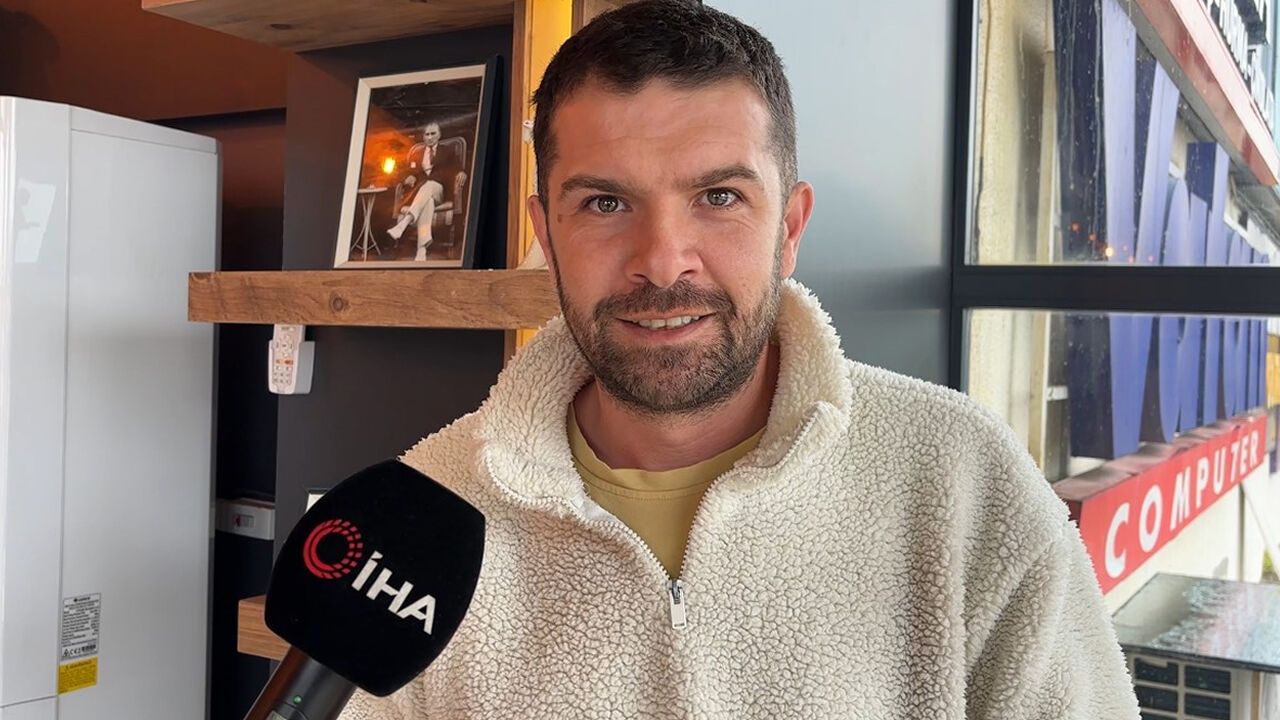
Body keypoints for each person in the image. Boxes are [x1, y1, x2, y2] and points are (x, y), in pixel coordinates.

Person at [339, 1, 1141, 717]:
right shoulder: (424, 517)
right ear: (546, 234)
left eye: (719, 197)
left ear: (789, 228)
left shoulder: (962, 478)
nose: (663, 260)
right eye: (605, 203)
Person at [388, 120, 460, 261]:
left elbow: (457, 167)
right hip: (422, 195)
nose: (430, 137)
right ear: (423, 136)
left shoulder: (447, 151)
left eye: (433, 133)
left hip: (440, 191)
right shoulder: (417, 154)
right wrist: (407, 177)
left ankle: (405, 222)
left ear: (439, 135)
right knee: (428, 203)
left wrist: (461, 172)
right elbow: (406, 172)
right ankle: (422, 250)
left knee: (430, 184)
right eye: (427, 134)